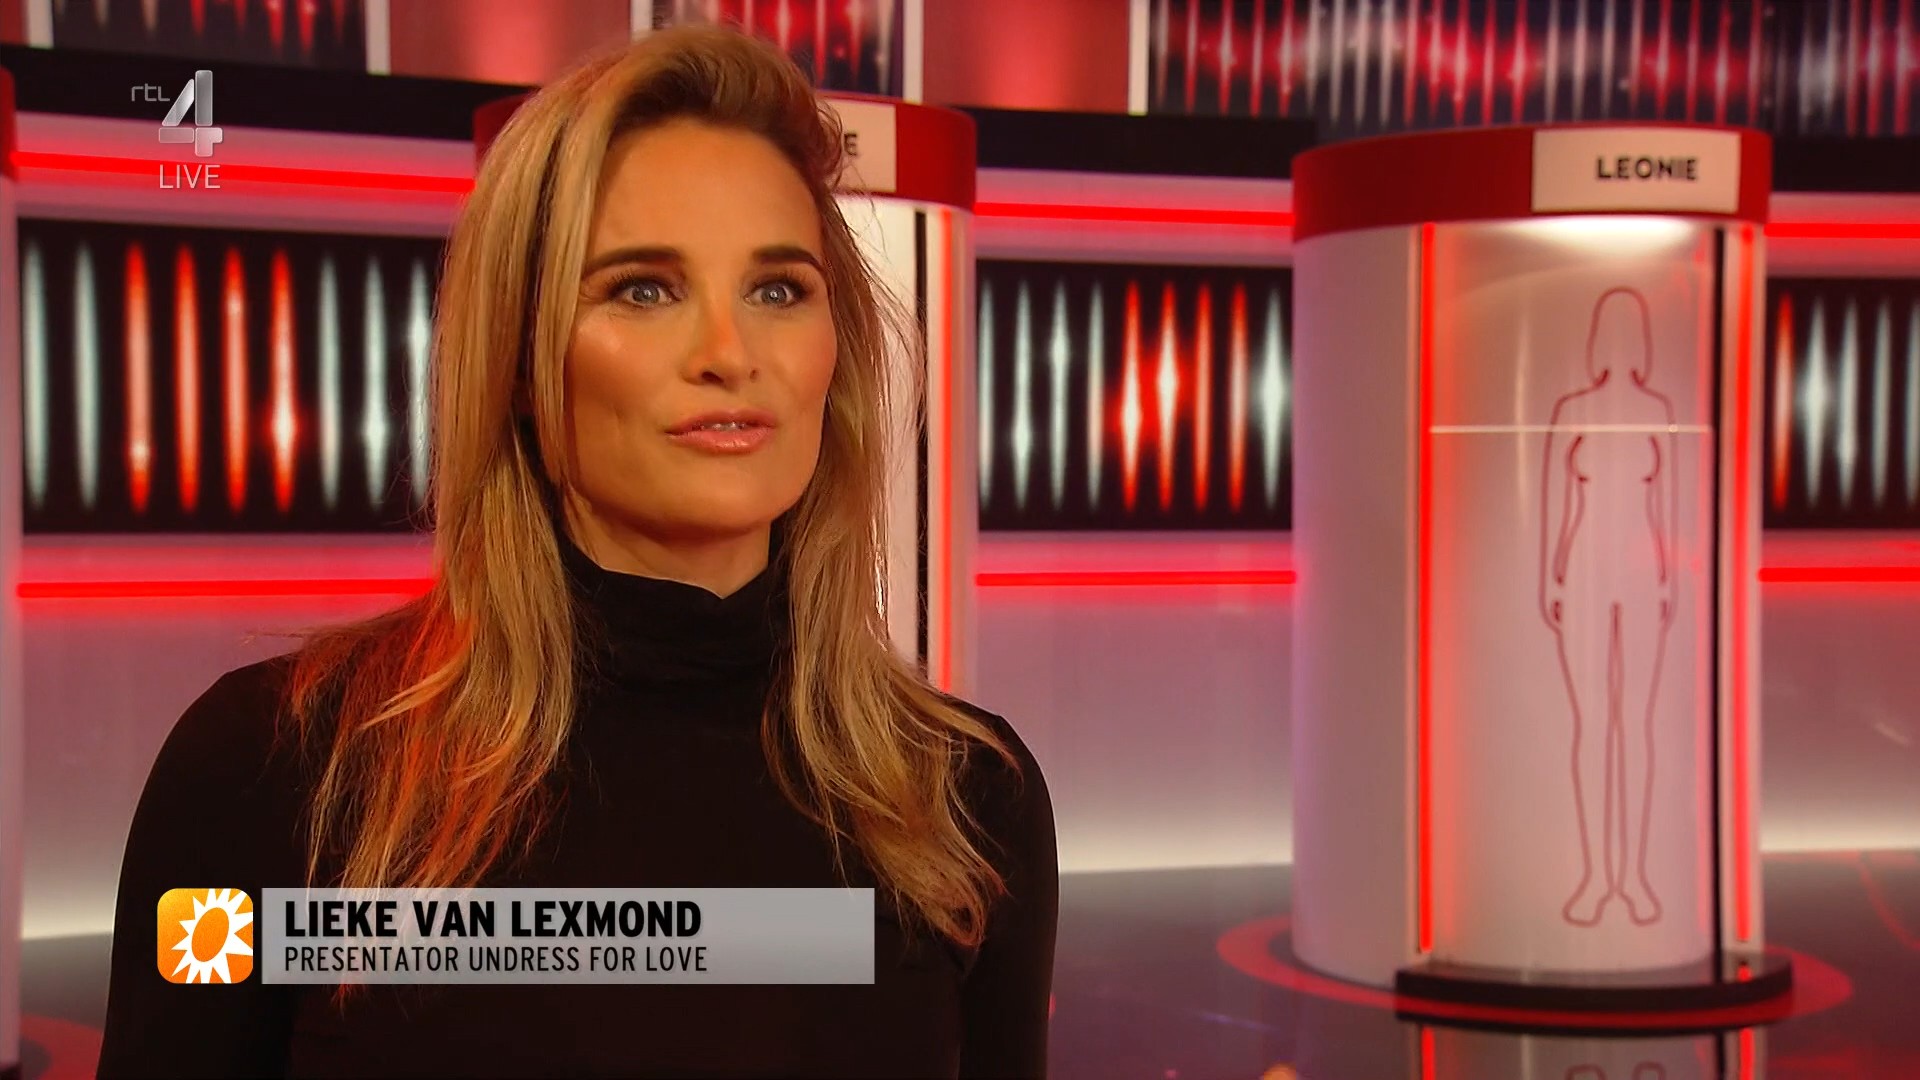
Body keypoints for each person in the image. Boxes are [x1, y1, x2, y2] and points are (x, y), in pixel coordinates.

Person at [97, 23, 1056, 1078]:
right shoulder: (273, 767)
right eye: (644, 288)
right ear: (519, 355)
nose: (729, 354)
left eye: (778, 289)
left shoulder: (965, 798)